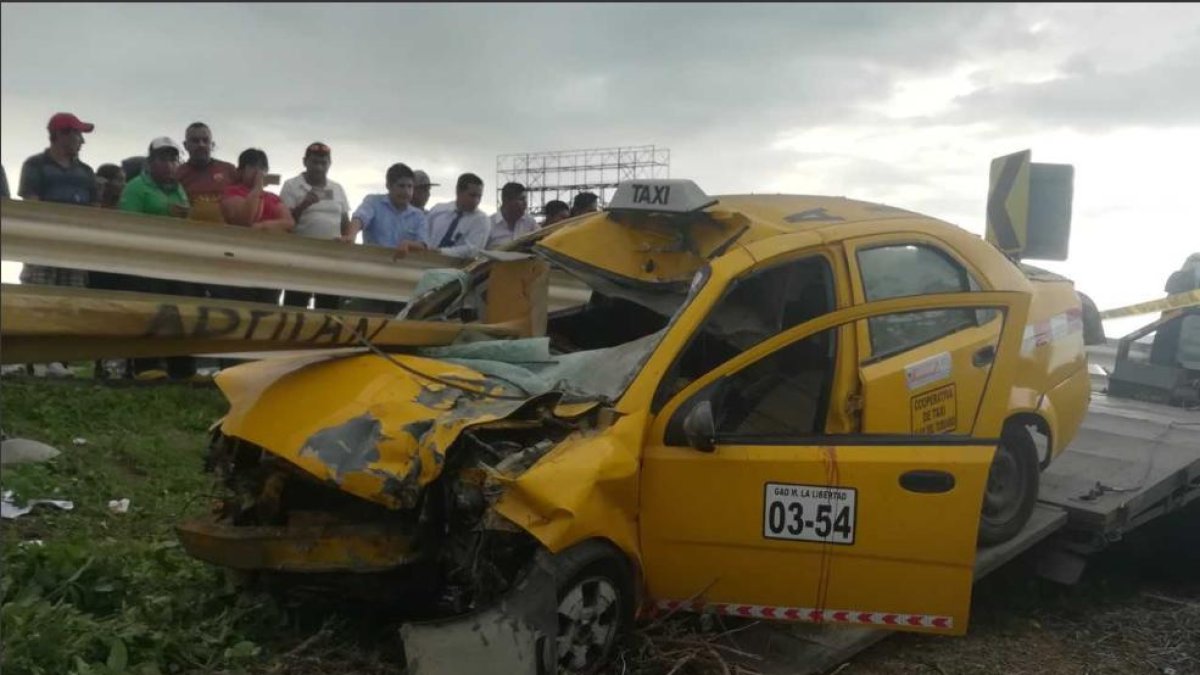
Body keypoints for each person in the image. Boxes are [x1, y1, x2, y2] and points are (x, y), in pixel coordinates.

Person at [115, 137, 201, 382]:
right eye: (163, 159)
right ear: (150, 162)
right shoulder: (136, 187)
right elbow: (126, 225)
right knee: (150, 310)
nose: (169, 164)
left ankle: (183, 368)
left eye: (173, 159)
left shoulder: (178, 190)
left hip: (176, 260)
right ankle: (146, 365)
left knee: (183, 310)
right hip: (144, 261)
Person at [17, 113, 99, 290]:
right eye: (78, 134)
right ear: (61, 134)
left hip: (76, 249)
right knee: (38, 296)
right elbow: (31, 206)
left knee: (73, 299)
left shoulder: (86, 172)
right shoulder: (35, 165)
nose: (82, 141)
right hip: (42, 247)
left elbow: (94, 211)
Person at [212, 148, 292, 305]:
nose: (258, 172)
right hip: (240, 262)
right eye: (253, 167)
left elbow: (289, 223)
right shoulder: (231, 192)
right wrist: (257, 189)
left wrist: (263, 226)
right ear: (241, 171)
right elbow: (245, 220)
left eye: (262, 167)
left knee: (268, 307)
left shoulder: (273, 197)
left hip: (270, 263)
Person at [279, 142, 350, 310]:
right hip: (300, 257)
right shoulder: (291, 185)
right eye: (315, 162)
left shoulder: (337, 188)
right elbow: (284, 224)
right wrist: (303, 205)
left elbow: (345, 223)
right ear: (305, 162)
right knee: (295, 307)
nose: (319, 167)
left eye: (323, 163)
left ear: (330, 164)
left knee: (328, 308)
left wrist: (347, 242)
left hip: (331, 258)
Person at [345, 163, 427, 249]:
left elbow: (423, 244)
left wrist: (410, 244)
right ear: (388, 186)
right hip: (373, 257)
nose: (406, 192)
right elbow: (360, 218)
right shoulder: (373, 202)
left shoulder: (419, 216)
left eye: (410, 187)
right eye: (401, 186)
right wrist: (351, 236)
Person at [176, 121, 238, 223]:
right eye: (195, 141)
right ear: (186, 145)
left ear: (212, 145)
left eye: (205, 140)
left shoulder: (229, 170)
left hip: (226, 230)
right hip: (190, 229)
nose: (201, 145)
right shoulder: (177, 174)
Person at [419, 173, 491, 258]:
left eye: (479, 196)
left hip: (457, 264)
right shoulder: (438, 210)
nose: (476, 201)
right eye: (472, 195)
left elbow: (473, 250)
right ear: (458, 191)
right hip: (425, 259)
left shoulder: (481, 220)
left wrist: (441, 252)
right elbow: (423, 234)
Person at [488, 182, 538, 248]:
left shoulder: (530, 221)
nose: (525, 203)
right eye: (521, 199)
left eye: (525, 199)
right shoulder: (488, 225)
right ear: (506, 200)